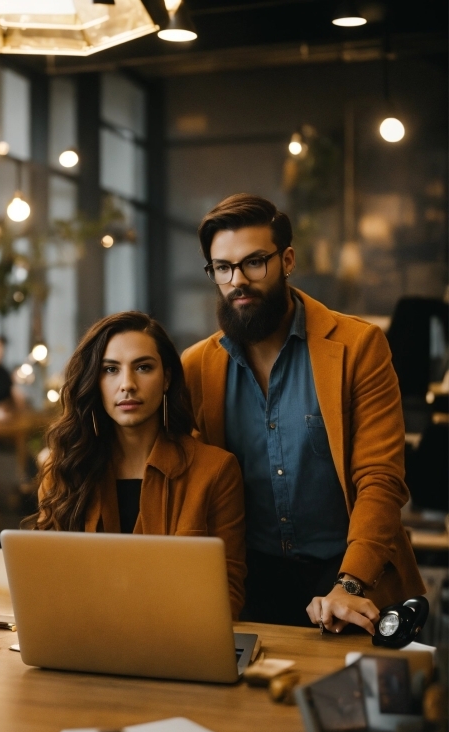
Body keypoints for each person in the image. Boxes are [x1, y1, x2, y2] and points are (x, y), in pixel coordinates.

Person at [181, 193, 425, 634]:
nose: (238, 280)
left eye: (255, 262)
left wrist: (349, 583)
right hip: (249, 582)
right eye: (223, 268)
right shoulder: (196, 368)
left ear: (287, 259)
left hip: (350, 573)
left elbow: (380, 479)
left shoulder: (359, 347)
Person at [32, 311, 247, 619]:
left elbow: (228, 596)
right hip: (83, 639)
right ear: (94, 381)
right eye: (110, 370)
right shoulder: (64, 468)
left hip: (177, 645)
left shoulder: (216, 471)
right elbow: (43, 584)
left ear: (167, 378)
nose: (127, 385)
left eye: (143, 367)